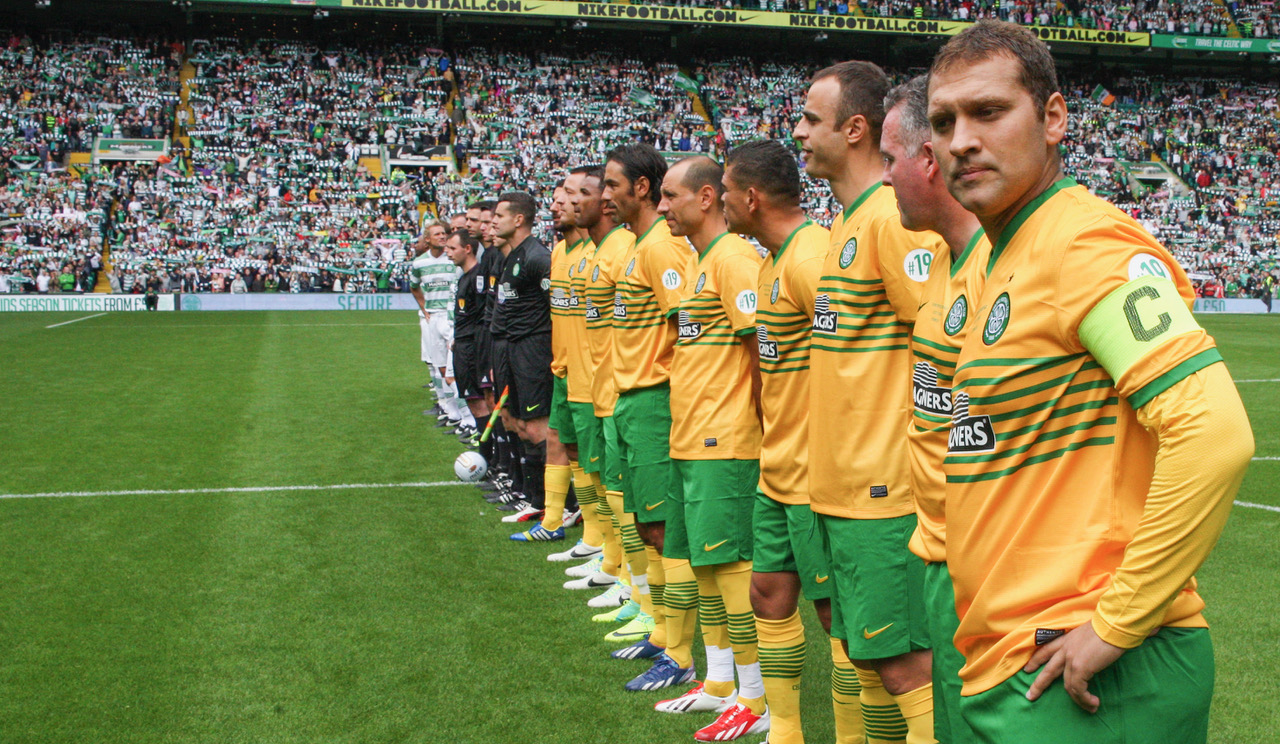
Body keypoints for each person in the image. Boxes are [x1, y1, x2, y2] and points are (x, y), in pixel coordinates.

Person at [925, 20, 1253, 743]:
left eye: (987, 112)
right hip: (1011, 658)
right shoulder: (990, 259)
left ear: (1053, 118)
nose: (960, 141)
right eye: (943, 121)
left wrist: (1119, 621)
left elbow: (1214, 432)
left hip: (1092, 675)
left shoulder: (1084, 245)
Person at [794, 59, 944, 744]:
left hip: (885, 490)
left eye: (808, 119)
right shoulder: (846, 223)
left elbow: (945, 342)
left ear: (854, 128)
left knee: (907, 664)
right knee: (869, 656)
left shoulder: (890, 219)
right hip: (841, 487)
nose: (797, 132)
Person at [722, 138, 864, 744]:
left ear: (751, 198)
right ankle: (785, 731)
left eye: (726, 192)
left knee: (835, 615)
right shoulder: (770, 259)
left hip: (814, 474)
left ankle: (853, 735)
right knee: (767, 592)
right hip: (775, 468)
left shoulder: (811, 259)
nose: (722, 204)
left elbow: (853, 361)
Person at [881, 74, 989, 744]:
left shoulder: (1009, 270)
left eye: (890, 160)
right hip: (940, 556)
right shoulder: (939, 266)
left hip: (994, 570)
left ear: (927, 161)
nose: (884, 177)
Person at [657, 155, 769, 742]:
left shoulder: (733, 260)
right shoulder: (704, 262)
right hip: (692, 437)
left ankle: (756, 696)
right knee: (706, 566)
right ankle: (722, 682)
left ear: (705, 198)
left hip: (725, 440)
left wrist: (757, 425)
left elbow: (758, 351)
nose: (661, 206)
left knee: (731, 568)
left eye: (670, 196)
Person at [602, 143, 697, 694]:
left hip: (656, 401)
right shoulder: (641, 246)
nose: (607, 195)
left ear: (641, 187)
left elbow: (691, 326)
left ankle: (681, 654)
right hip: (630, 400)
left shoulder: (662, 249)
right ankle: (664, 634)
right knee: (645, 525)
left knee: (663, 529)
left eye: (612, 184)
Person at [568, 166, 659, 644]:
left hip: (632, 396)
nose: (595, 197)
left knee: (645, 514)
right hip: (606, 390)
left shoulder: (637, 247)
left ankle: (647, 604)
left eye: (600, 187)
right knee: (627, 506)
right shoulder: (612, 249)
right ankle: (632, 588)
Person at [512, 181, 581, 542]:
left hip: (595, 373)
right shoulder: (559, 252)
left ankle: (603, 547)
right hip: (563, 367)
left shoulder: (608, 252)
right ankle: (553, 521)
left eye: (566, 199)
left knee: (594, 462)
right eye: (554, 200)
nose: (556, 206)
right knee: (559, 443)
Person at [490, 191, 555, 525]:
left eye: (499, 215)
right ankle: (534, 498)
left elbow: (555, 307)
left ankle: (557, 504)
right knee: (519, 424)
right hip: (512, 347)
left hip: (533, 349)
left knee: (537, 428)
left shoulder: (537, 257)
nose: (493, 221)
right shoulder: (510, 256)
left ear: (518, 219)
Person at [411, 221, 466, 429]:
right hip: (433, 316)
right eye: (437, 234)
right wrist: (425, 309)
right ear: (427, 239)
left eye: (444, 233)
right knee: (440, 367)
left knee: (453, 370)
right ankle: (451, 411)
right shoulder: (419, 263)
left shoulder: (454, 259)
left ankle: (465, 416)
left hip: (452, 318)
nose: (442, 237)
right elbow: (414, 287)